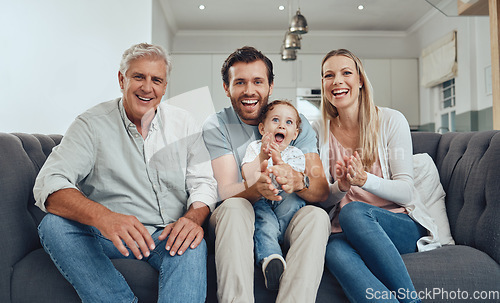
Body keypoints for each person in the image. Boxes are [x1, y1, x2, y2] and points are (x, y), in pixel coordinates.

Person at [33, 43, 217, 303]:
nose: (147, 87)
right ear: (122, 79)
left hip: (167, 236)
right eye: (138, 77)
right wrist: (105, 217)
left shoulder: (184, 123)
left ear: (165, 87)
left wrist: (192, 218)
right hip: (109, 236)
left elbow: (204, 183)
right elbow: (49, 183)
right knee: (53, 226)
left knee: (193, 244)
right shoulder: (91, 124)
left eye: (156, 80)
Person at [202, 46, 331, 303]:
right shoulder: (217, 125)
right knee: (235, 207)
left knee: (316, 216)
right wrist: (257, 187)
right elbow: (226, 190)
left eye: (258, 81)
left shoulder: (294, 122)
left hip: (287, 213)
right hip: (242, 217)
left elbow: (321, 189)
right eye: (240, 82)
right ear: (227, 88)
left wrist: (299, 181)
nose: (250, 90)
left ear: (270, 86)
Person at [313, 49, 441, 303]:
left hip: (398, 224)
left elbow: (406, 191)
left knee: (354, 211)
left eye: (346, 73)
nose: (337, 80)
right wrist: (341, 186)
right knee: (331, 249)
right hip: (343, 231)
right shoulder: (319, 130)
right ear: (324, 85)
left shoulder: (391, 120)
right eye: (329, 75)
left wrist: (364, 181)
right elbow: (320, 201)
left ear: (360, 80)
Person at [241, 100, 306, 290]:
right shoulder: (255, 148)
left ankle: (283, 240)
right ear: (262, 128)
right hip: (262, 199)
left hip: (285, 199)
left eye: (288, 123)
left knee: (295, 202)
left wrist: (279, 163)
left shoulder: (296, 153)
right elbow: (247, 172)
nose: (281, 126)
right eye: (275, 120)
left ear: (295, 134)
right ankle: (271, 259)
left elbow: (295, 181)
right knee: (264, 222)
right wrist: (264, 156)